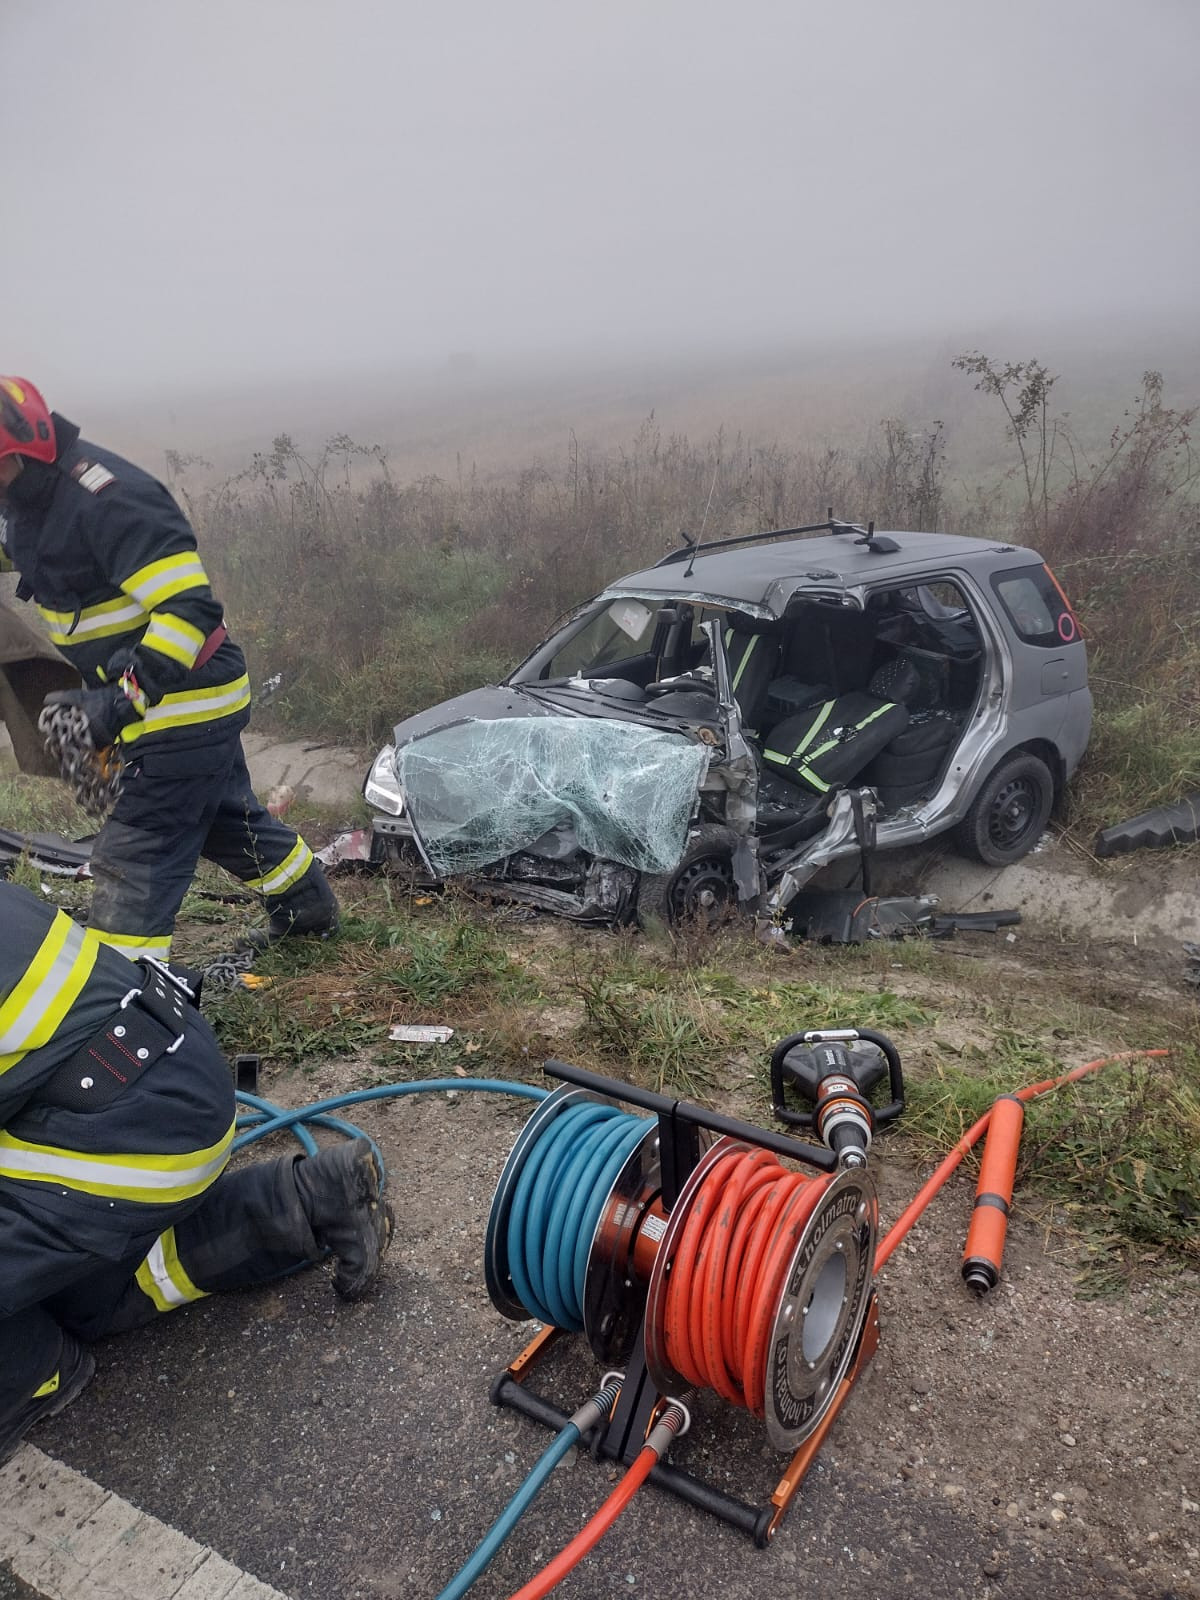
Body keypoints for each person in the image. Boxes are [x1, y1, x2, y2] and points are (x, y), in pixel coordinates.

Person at [0, 880, 392, 1462]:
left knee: (40, 1297)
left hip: (114, 1126)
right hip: (170, 1072)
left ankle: (28, 1378)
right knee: (73, 1298)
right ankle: (307, 1198)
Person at [0, 375, 338, 961]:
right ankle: (308, 909)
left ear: (22, 453)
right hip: (161, 698)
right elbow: (24, 546)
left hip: (183, 698)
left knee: (136, 853)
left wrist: (121, 702)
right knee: (225, 820)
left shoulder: (110, 502)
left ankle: (121, 989)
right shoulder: (24, 501)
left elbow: (189, 609)